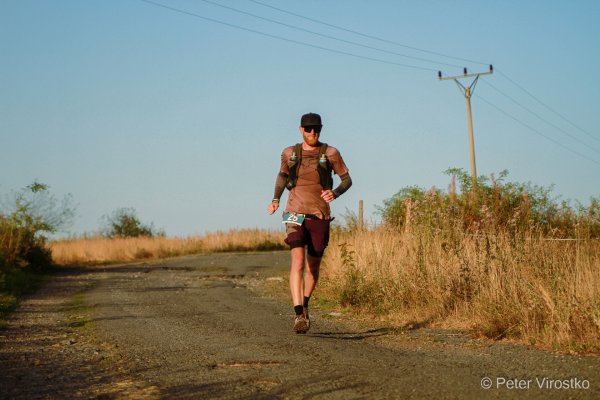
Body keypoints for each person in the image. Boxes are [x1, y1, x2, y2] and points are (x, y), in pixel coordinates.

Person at [267, 112, 352, 333]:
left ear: (321, 130)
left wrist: (336, 193)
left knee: (312, 268)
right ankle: (298, 315)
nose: (313, 133)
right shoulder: (289, 153)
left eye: (317, 129)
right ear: (301, 130)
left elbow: (347, 180)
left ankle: (305, 305)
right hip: (294, 213)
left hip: (319, 215)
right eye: (308, 129)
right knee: (297, 261)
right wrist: (275, 199)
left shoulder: (330, 153)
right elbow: (282, 176)